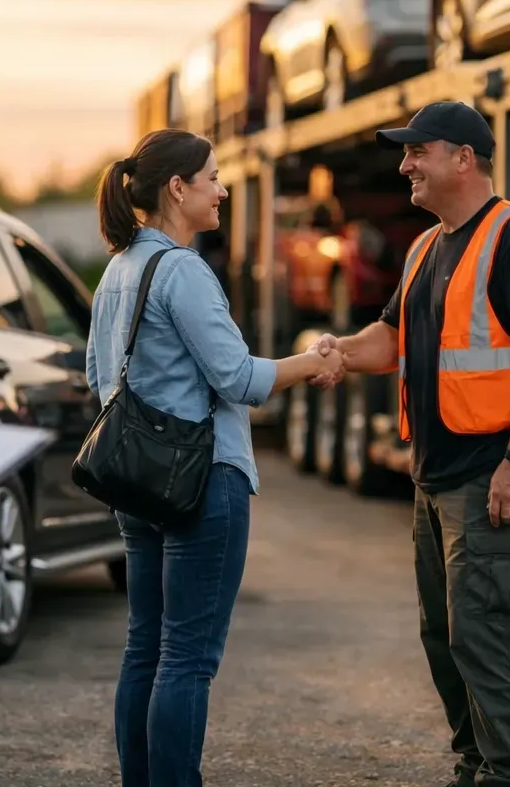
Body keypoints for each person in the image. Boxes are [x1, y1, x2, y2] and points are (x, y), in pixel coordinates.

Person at [309, 100, 510, 787]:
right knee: (446, 637)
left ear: (463, 157)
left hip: (494, 478)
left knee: (490, 635)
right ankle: (475, 764)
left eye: (416, 151)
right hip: (435, 476)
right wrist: (332, 353)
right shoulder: (428, 247)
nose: (404, 166)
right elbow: (388, 339)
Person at [87, 128, 344, 787]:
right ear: (179, 189)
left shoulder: (116, 271)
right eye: (213, 177)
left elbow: (98, 379)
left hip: (135, 482)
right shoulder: (182, 270)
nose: (224, 189)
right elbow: (239, 379)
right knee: (187, 658)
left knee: (146, 646)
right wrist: (311, 361)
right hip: (201, 482)